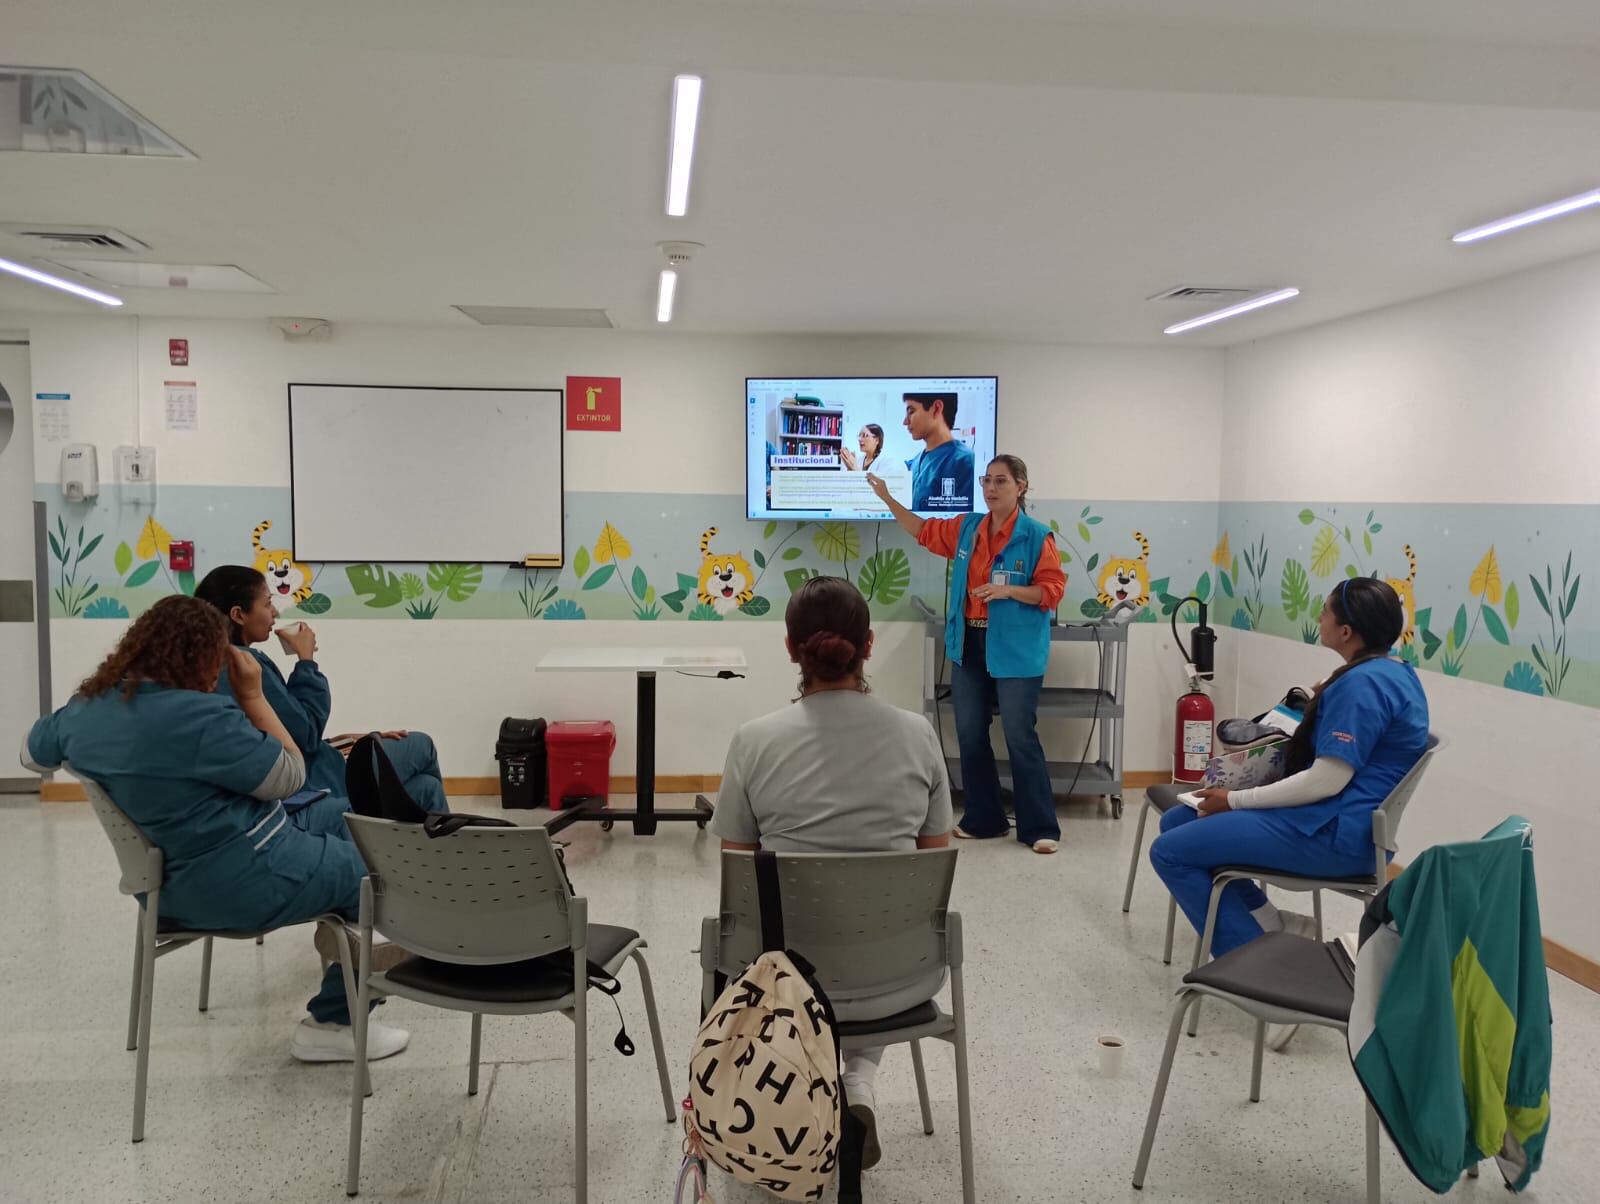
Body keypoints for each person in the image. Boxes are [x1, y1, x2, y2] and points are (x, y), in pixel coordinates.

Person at [22, 596, 411, 1062]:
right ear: (202, 656)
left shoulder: (83, 711)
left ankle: (346, 953)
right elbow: (290, 776)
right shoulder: (202, 718)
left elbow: (30, 755)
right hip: (246, 879)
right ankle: (334, 1020)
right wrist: (251, 696)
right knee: (388, 868)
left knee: (352, 836)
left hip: (163, 892)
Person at [712, 576, 952, 1171]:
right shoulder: (919, 736)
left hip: (781, 983)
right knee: (864, 936)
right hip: (900, 977)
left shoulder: (753, 742)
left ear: (791, 650)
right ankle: (859, 1089)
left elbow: (735, 874)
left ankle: (793, 1105)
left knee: (778, 940)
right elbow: (934, 860)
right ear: (868, 646)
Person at [1150, 577, 1428, 1044]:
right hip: (1333, 822)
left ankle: (1271, 985)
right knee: (1180, 819)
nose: (1318, 617)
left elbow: (1327, 779)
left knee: (1171, 852)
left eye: (1325, 611)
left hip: (1334, 836)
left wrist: (1235, 799)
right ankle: (1271, 924)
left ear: (1346, 631)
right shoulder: (1387, 671)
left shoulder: (1361, 686)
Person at [869, 455, 1066, 853]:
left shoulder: (1036, 536)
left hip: (1015, 649)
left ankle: (1040, 827)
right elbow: (923, 531)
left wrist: (1008, 591)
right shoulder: (967, 528)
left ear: (1021, 487)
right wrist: (889, 499)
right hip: (968, 644)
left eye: (1001, 481)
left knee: (1018, 735)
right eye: (987, 481)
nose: (991, 489)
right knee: (970, 734)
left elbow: (1052, 591)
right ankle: (984, 819)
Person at [196, 565, 447, 813]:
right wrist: (306, 661)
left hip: (312, 768)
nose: (275, 612)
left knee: (426, 787)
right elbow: (305, 735)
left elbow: (282, 730)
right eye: (267, 603)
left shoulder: (213, 664)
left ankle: (420, 848)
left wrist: (344, 741)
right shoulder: (244, 666)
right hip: (314, 783)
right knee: (422, 745)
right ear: (238, 615)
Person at [901, 392, 974, 511]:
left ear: (936, 408)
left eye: (911, 411)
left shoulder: (964, 461)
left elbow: (960, 523)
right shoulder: (916, 461)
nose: (905, 421)